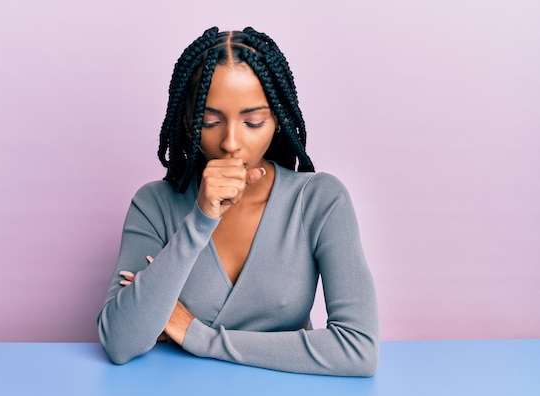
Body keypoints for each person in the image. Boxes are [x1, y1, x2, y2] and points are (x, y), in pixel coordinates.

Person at [97, 27, 379, 376]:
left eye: (253, 121)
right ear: (189, 121)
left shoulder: (320, 201)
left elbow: (357, 349)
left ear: (277, 120)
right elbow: (120, 342)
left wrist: (196, 335)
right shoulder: (154, 205)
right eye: (211, 121)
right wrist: (200, 220)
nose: (231, 142)